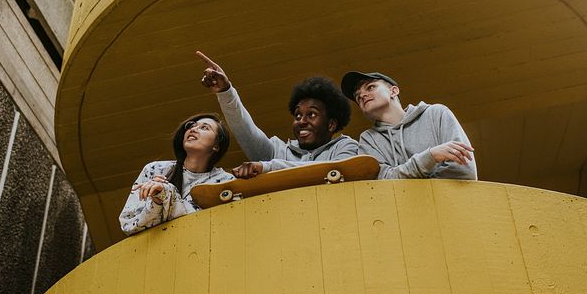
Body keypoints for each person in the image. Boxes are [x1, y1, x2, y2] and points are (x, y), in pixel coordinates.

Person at [197, 51, 359, 178]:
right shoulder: (276, 151)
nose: (302, 121)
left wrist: (268, 167)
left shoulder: (346, 147)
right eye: (297, 115)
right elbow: (245, 130)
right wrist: (226, 92)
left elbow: (330, 170)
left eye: (311, 114)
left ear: (331, 124)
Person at [340, 71, 476, 180]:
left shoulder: (436, 114)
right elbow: (381, 185)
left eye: (370, 87)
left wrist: (406, 180)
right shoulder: (368, 139)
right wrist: (430, 157)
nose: (362, 95)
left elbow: (464, 171)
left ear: (393, 91)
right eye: (358, 97)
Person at [119, 113, 234, 236]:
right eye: (192, 126)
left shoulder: (226, 182)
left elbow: (217, 226)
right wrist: (157, 202)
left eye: (204, 127)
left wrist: (167, 194)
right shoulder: (155, 169)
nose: (193, 129)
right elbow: (127, 224)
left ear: (216, 146)